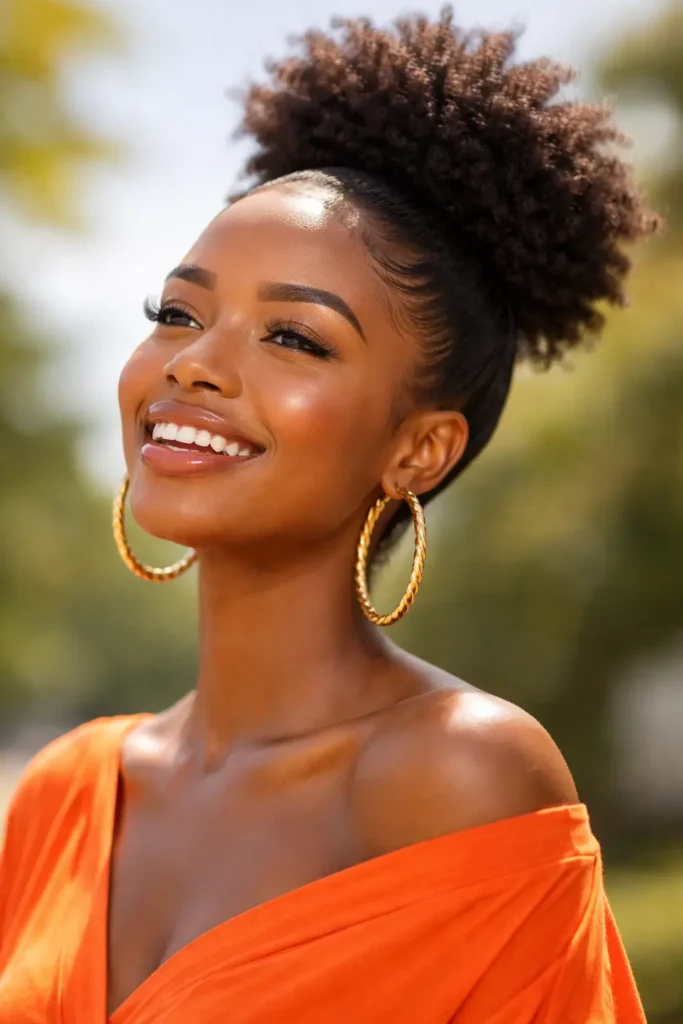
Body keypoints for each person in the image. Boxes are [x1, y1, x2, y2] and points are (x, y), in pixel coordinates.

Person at [0, 8, 657, 1023]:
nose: (193, 362)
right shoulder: (66, 789)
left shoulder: (458, 772)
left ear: (418, 449)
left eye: (294, 338)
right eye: (177, 313)